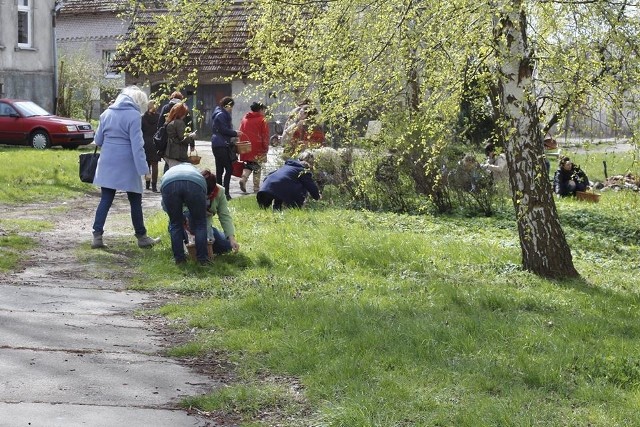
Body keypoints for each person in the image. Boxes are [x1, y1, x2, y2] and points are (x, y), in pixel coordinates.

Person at [91, 86, 160, 249]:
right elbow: (137, 146)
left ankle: (97, 236)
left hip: (108, 161)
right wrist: (144, 170)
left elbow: (98, 140)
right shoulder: (134, 116)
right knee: (135, 199)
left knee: (106, 199)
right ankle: (141, 236)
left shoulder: (106, 113)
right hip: (128, 163)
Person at [256, 151, 321, 210]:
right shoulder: (303, 170)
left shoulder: (287, 166)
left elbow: (271, 176)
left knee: (285, 185)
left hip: (265, 189)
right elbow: (310, 186)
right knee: (300, 187)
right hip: (277, 190)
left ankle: (277, 210)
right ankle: (295, 209)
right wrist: (317, 196)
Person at [211, 96, 241, 200]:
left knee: (219, 170)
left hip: (216, 144)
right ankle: (226, 193)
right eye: (230, 107)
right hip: (221, 144)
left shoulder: (218, 113)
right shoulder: (221, 115)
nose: (231, 109)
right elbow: (223, 129)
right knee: (229, 168)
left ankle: (219, 193)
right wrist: (235, 133)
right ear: (226, 105)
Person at [238, 101, 270, 193]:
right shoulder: (262, 119)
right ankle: (256, 188)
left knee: (248, 165)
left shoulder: (245, 118)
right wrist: (265, 147)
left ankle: (243, 179)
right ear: (260, 110)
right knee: (257, 167)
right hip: (258, 147)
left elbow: (240, 132)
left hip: (246, 146)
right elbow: (265, 135)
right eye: (264, 110)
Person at [163, 102, 196, 168]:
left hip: (169, 152)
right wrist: (191, 136)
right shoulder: (179, 123)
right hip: (177, 154)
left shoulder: (169, 121)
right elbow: (183, 139)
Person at [141, 100, 160, 192]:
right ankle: (154, 186)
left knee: (147, 164)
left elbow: (140, 130)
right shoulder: (159, 117)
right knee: (155, 164)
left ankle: (147, 184)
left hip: (145, 141)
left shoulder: (143, 118)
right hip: (155, 142)